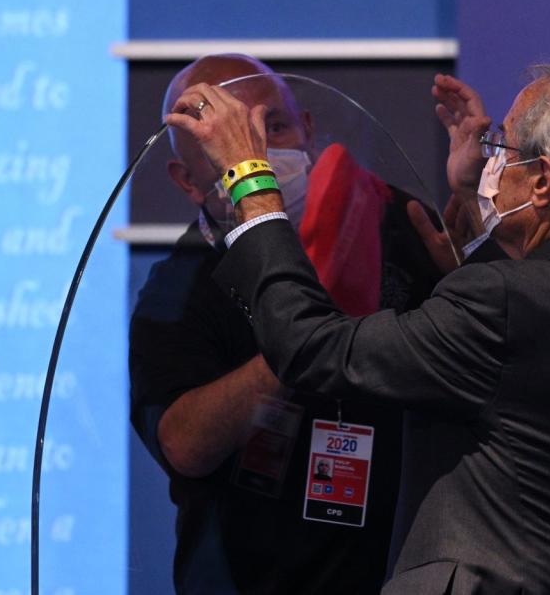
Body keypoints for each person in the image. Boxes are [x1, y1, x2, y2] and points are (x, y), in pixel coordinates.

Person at [166, 62, 550, 594]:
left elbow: (310, 349)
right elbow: (530, 370)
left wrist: (249, 181)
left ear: (542, 182)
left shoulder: (501, 302)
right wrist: (476, 224)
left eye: (504, 147)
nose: (491, 158)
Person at [129, 54, 441, 594]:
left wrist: (474, 261)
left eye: (274, 125)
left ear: (308, 130)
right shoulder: (174, 290)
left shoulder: (391, 218)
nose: (259, 151)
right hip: (250, 578)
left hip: (398, 573)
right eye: (225, 135)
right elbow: (184, 444)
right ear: (185, 179)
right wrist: (304, 337)